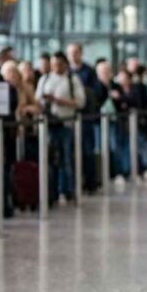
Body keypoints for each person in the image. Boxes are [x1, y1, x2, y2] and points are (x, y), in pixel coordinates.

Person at [36, 52, 86, 203]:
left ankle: (66, 190)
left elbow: (80, 102)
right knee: (49, 158)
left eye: (58, 64)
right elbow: (37, 99)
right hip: (48, 124)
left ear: (65, 64)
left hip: (65, 124)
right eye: (53, 64)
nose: (55, 67)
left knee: (65, 158)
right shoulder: (45, 79)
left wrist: (58, 100)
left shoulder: (72, 80)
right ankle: (50, 191)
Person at [67, 43, 102, 192]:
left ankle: (90, 182)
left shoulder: (89, 71)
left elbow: (96, 93)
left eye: (75, 52)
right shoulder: (66, 72)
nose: (73, 55)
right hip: (69, 117)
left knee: (88, 151)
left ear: (80, 53)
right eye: (70, 53)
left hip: (86, 118)